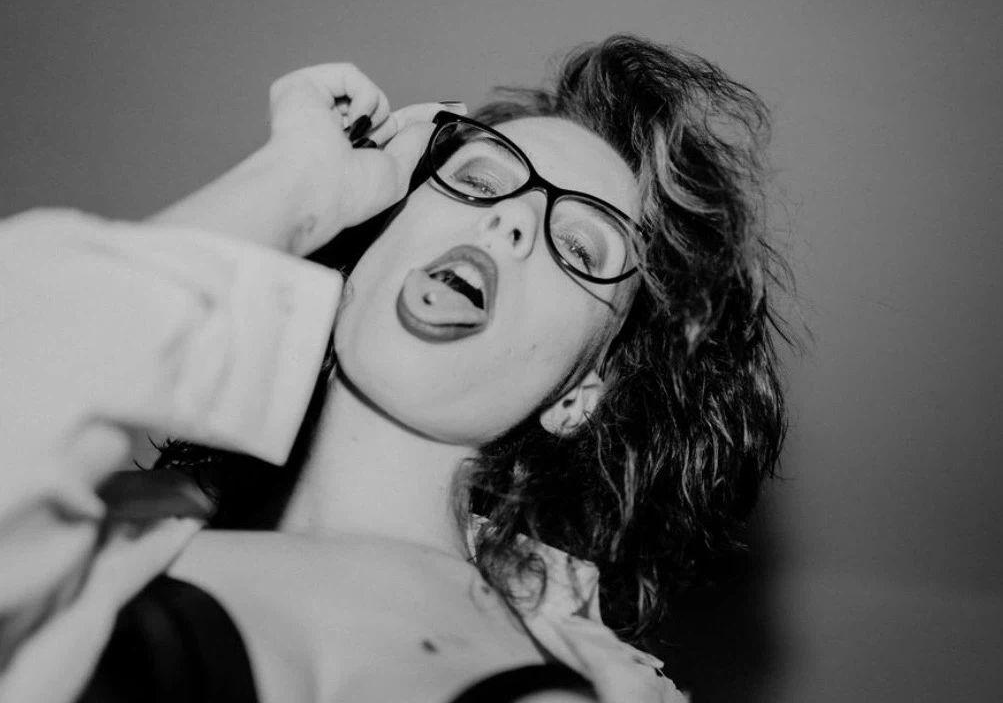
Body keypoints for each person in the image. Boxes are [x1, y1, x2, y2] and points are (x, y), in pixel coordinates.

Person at [0, 34, 789, 702]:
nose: (509, 217)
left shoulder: (611, 685)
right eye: (477, 181)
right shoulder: (87, 541)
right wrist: (297, 187)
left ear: (580, 394)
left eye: (581, 246)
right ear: (372, 242)